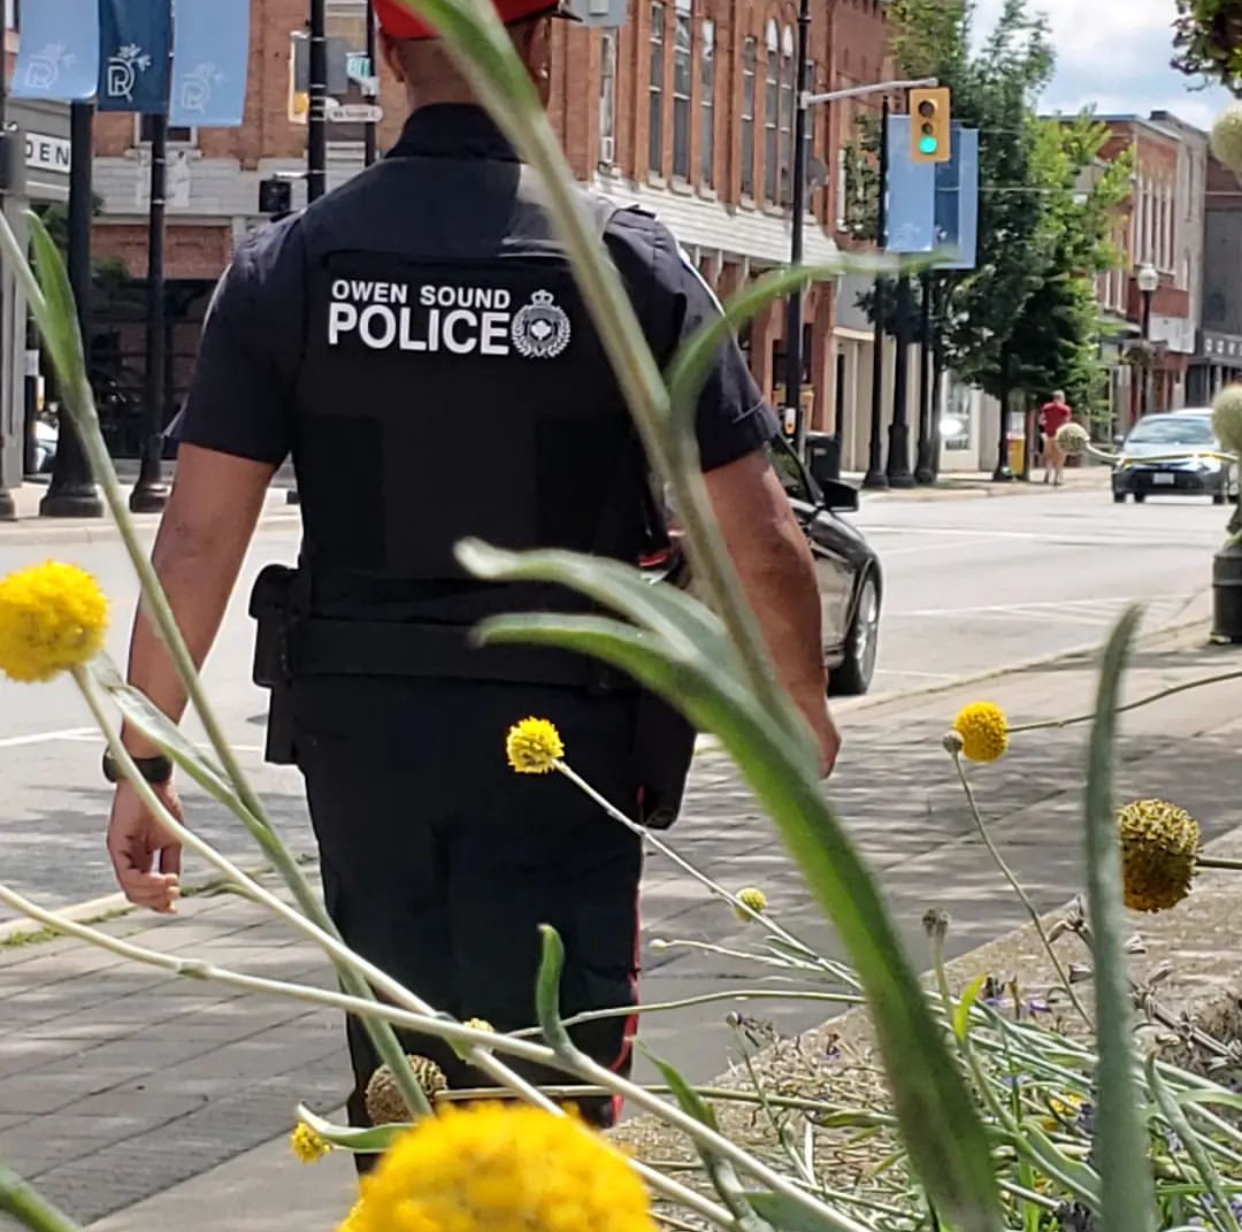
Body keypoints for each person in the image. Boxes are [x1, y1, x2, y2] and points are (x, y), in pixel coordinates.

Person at [104, 0, 840, 1142]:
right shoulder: (626, 263)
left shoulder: (291, 268)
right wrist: (797, 705)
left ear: (389, 58)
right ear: (540, 52)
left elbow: (198, 538)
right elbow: (756, 532)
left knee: (405, 1072)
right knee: (555, 1077)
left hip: (366, 750)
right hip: (569, 738)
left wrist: (146, 756)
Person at [1038, 389, 1074, 486]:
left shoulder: (1046, 407)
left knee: (1049, 457)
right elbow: (1067, 422)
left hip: (1049, 436)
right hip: (1060, 436)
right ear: (1062, 398)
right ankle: (1057, 478)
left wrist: (1046, 424)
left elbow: (1041, 420)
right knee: (1060, 458)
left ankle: (1047, 475)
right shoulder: (1065, 409)